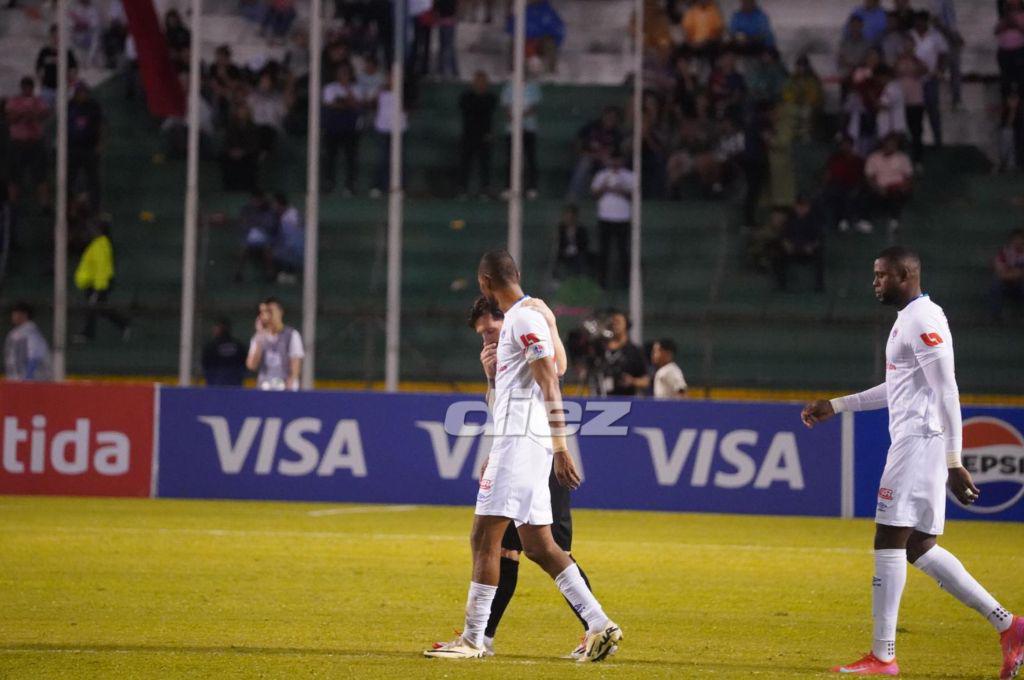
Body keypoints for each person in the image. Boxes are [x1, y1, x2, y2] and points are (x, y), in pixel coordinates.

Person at [801, 246, 1024, 678]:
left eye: (881, 275)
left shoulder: (923, 320)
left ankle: (883, 657)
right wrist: (837, 405)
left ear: (906, 275)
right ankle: (1010, 626)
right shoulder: (910, 320)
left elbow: (947, 390)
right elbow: (899, 386)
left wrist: (955, 461)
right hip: (918, 441)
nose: (875, 283)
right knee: (919, 547)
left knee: (888, 539)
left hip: (920, 443)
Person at [424, 250, 622, 661]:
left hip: (521, 442)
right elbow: (545, 373)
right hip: (522, 442)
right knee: (540, 546)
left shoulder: (521, 317)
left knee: (484, 538)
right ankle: (600, 623)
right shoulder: (529, 316)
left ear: (484, 283)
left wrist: (561, 447)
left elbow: (551, 378)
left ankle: (474, 639)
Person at [455, 295, 602, 659]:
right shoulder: (502, 356)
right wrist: (490, 377)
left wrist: (560, 449)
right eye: (482, 336)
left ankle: (595, 628)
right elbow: (502, 408)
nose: (488, 340)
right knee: (510, 549)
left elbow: (559, 370)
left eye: (491, 330)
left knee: (550, 549)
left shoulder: (528, 328)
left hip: (541, 452)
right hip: (516, 451)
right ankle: (483, 637)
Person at [72, 221, 131, 343]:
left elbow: (102, 268)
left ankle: (87, 334)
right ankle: (124, 324)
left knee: (93, 307)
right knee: (101, 308)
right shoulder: (97, 244)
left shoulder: (100, 245)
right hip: (93, 283)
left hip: (97, 284)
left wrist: (99, 288)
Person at [5, 77, 50, 212]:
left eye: (29, 87)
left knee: (40, 175)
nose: (27, 90)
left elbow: (45, 114)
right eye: (25, 87)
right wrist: (22, 114)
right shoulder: (14, 101)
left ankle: (44, 204)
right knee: (14, 176)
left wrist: (33, 114)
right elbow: (10, 118)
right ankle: (12, 204)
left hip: (34, 141)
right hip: (18, 142)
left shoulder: (38, 101)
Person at [591, 153, 634, 290]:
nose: (615, 161)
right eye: (613, 158)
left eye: (618, 158)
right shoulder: (602, 175)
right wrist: (605, 187)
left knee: (623, 252)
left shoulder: (629, 175)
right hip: (605, 216)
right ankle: (602, 282)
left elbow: (634, 195)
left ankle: (626, 283)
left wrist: (621, 189)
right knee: (604, 251)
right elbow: (594, 193)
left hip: (623, 217)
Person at [246, 296, 304, 391]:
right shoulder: (258, 337)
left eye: (271, 311)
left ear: (280, 312)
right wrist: (260, 337)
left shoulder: (292, 335)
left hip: (285, 388)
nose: (268, 315)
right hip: (265, 387)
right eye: (264, 312)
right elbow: (251, 365)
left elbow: (295, 365)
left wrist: (290, 385)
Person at [322, 63, 363, 195]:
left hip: (350, 128)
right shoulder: (330, 88)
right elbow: (331, 104)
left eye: (346, 73)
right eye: (341, 72)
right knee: (330, 157)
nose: (344, 76)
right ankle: (329, 184)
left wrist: (345, 97)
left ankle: (350, 185)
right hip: (333, 127)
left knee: (351, 158)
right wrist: (346, 104)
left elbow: (357, 104)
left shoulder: (356, 88)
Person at [568, 106, 623, 203]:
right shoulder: (591, 127)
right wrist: (589, 154)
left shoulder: (616, 134)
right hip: (586, 157)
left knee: (610, 165)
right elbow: (577, 144)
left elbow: (612, 152)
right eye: (608, 116)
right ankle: (573, 197)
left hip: (604, 161)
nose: (610, 119)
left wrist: (603, 157)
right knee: (585, 162)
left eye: (613, 118)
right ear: (603, 116)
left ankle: (603, 199)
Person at [500, 70, 541, 199]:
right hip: (512, 129)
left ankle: (532, 188)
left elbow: (534, 106)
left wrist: (520, 116)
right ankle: (508, 187)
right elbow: (506, 106)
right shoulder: (509, 87)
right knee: (511, 158)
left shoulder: (533, 87)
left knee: (530, 158)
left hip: (529, 128)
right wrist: (514, 118)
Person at [911, 11, 947, 149]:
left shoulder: (935, 36)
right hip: (914, 80)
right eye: (917, 21)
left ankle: (938, 141)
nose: (919, 24)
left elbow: (943, 53)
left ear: (926, 22)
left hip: (930, 78)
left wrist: (939, 70)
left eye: (922, 21)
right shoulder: (910, 35)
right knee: (915, 112)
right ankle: (917, 142)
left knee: (933, 111)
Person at [863, 133, 913, 235]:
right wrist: (878, 188)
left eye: (894, 144)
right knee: (865, 194)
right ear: (884, 144)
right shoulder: (874, 157)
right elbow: (869, 177)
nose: (891, 146)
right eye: (889, 143)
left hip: (897, 187)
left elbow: (908, 176)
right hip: (879, 187)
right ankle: (865, 221)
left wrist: (905, 187)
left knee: (896, 195)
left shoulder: (903, 158)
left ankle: (894, 223)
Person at [773, 195, 825, 292]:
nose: (801, 209)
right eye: (799, 206)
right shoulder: (790, 219)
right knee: (778, 255)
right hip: (792, 250)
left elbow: (819, 238)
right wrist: (786, 244)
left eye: (804, 206)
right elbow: (782, 235)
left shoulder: (814, 220)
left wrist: (811, 246)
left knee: (819, 256)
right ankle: (781, 285)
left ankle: (819, 286)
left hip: (808, 250)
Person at [458, 71, 498, 198]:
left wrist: (489, 133)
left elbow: (487, 116)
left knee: (484, 163)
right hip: (469, 134)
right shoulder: (465, 98)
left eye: (482, 81)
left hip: (484, 135)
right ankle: (462, 189)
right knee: (465, 162)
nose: (480, 84)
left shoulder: (491, 98)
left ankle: (485, 189)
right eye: (477, 81)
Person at [68, 84, 103, 208]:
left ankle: (94, 206)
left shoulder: (93, 106)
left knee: (93, 179)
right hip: (72, 148)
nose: (83, 95)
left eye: (85, 93)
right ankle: (70, 206)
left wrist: (99, 144)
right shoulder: (70, 105)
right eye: (81, 93)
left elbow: (100, 125)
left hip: (89, 147)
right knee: (70, 178)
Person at [822, 134, 865, 233]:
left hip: (852, 186)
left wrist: (858, 187)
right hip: (836, 185)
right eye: (843, 145)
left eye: (848, 145)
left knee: (852, 195)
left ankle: (848, 221)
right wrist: (823, 186)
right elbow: (828, 175)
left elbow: (861, 177)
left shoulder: (858, 160)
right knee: (832, 193)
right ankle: (836, 223)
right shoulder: (834, 158)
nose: (845, 147)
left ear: (852, 146)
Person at [599, 311, 648, 397]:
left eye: (618, 322)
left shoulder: (634, 351)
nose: (615, 325)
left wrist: (632, 381)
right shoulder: (602, 349)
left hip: (626, 400)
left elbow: (645, 381)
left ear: (626, 325)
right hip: (602, 398)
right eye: (613, 322)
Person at [234, 190, 277, 283]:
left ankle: (270, 274)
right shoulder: (246, 209)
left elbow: (271, 225)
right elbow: (242, 224)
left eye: (258, 200)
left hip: (265, 236)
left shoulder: (269, 209)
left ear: (262, 200)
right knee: (242, 249)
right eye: (254, 200)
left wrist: (257, 224)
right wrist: (251, 225)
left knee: (268, 249)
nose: (256, 202)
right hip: (249, 236)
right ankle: (238, 273)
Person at [4, 302, 52, 381]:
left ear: (24, 315)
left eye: (15, 314)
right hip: (15, 379)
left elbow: (34, 357)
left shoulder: (31, 333)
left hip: (32, 381)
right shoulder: (15, 333)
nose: (12, 317)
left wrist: (28, 377)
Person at [35, 25, 79, 109]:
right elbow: (39, 69)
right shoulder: (44, 52)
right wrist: (40, 83)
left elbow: (73, 69)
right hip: (47, 88)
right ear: (51, 36)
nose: (56, 38)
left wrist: (70, 84)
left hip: (63, 88)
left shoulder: (67, 52)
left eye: (58, 35)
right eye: (54, 35)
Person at [201, 318, 246, 386]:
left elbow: (205, 365)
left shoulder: (211, 346)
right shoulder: (238, 345)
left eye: (216, 327)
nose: (214, 329)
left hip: (216, 384)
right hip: (234, 384)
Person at [991, 228, 1024, 322]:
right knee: (996, 285)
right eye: (1016, 239)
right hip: (1007, 283)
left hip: (1021, 284)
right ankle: (996, 316)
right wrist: (1014, 274)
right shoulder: (1004, 253)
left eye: (1021, 239)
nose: (1018, 242)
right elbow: (1000, 272)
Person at [553, 204, 590, 280]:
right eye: (567, 216)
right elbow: (559, 243)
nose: (569, 218)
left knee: (580, 259)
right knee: (557, 259)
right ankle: (556, 279)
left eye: (571, 216)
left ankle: (579, 278)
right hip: (564, 253)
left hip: (578, 253)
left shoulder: (581, 229)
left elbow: (584, 243)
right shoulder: (561, 228)